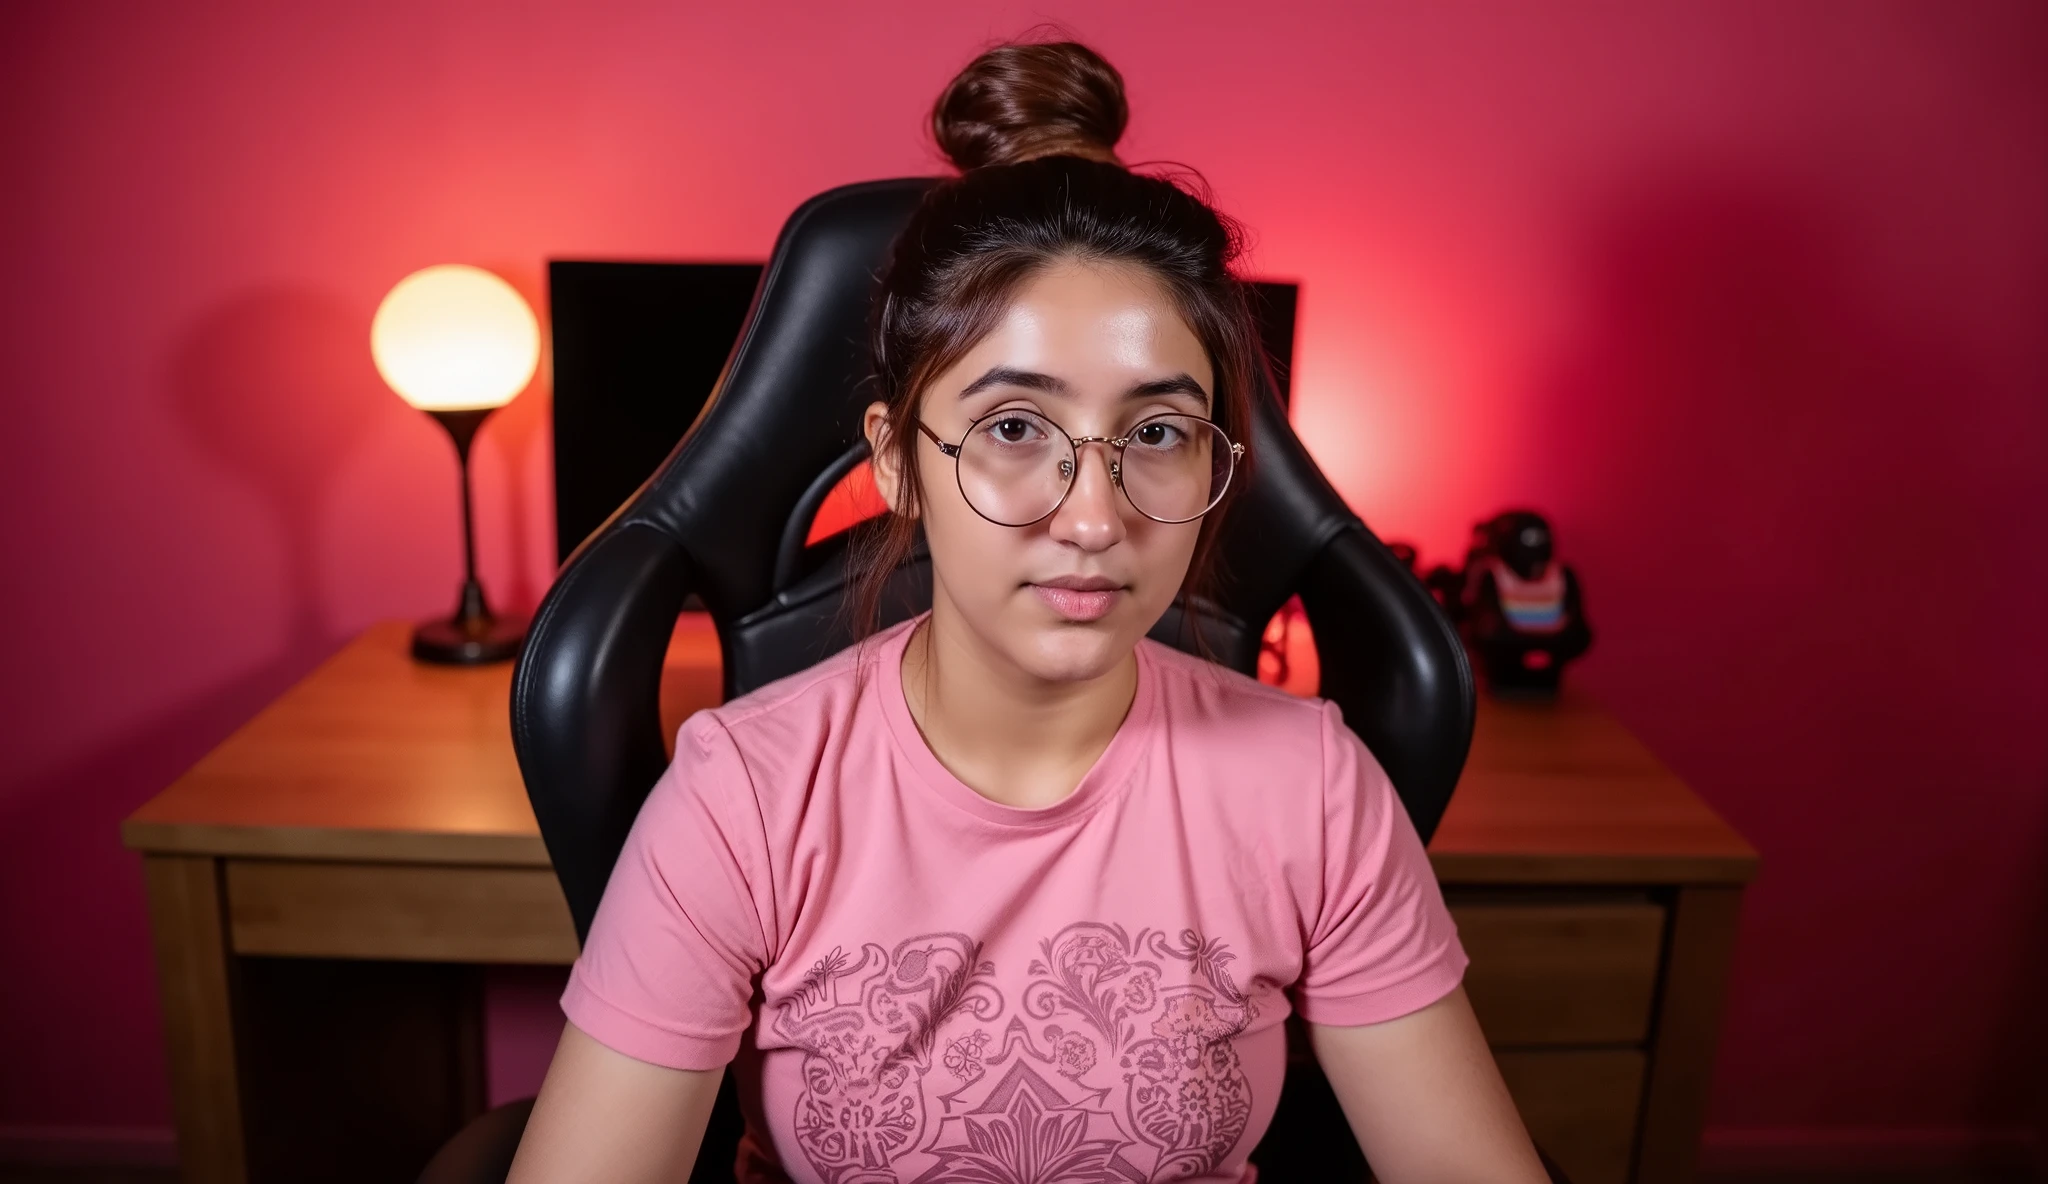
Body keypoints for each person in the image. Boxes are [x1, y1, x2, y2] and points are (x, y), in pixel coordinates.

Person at [509, 37, 1550, 1184]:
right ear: (898, 460)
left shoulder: (1310, 784)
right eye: (1014, 428)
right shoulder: (742, 796)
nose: (1095, 518)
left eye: (1155, 433)